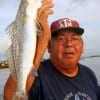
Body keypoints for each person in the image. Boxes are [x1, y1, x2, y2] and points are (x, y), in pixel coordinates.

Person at [4, 0, 100, 100]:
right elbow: (10, 97)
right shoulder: (38, 74)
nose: (69, 44)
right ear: (49, 46)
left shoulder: (89, 74)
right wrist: (41, 44)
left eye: (74, 39)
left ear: (82, 46)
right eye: (61, 38)